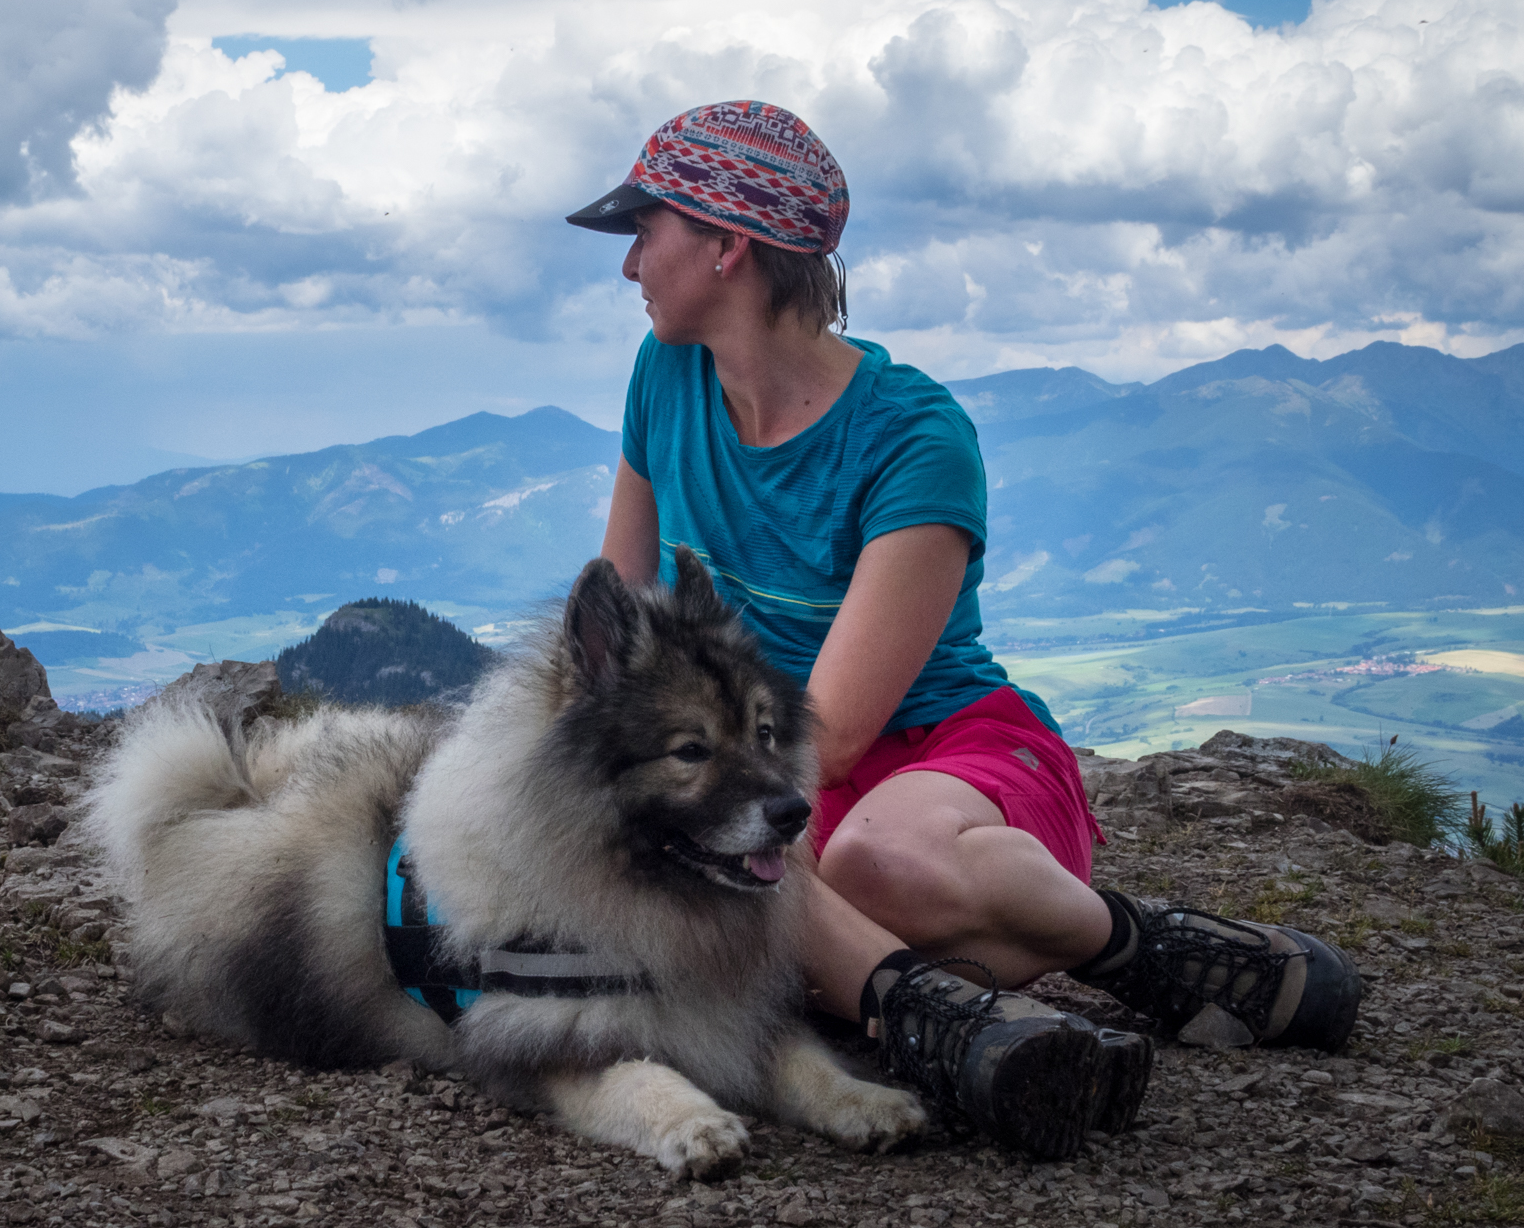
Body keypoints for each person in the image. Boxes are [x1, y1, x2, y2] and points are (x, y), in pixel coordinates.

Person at [564, 101, 1362, 1160]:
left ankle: (1135, 948)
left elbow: (838, 733)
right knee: (732, 878)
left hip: (944, 753)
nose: (630, 266)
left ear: (726, 246)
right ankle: (964, 1022)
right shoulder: (662, 381)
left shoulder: (914, 436)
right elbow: (622, 622)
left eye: (646, 229)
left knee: (859, 864)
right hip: (768, 771)